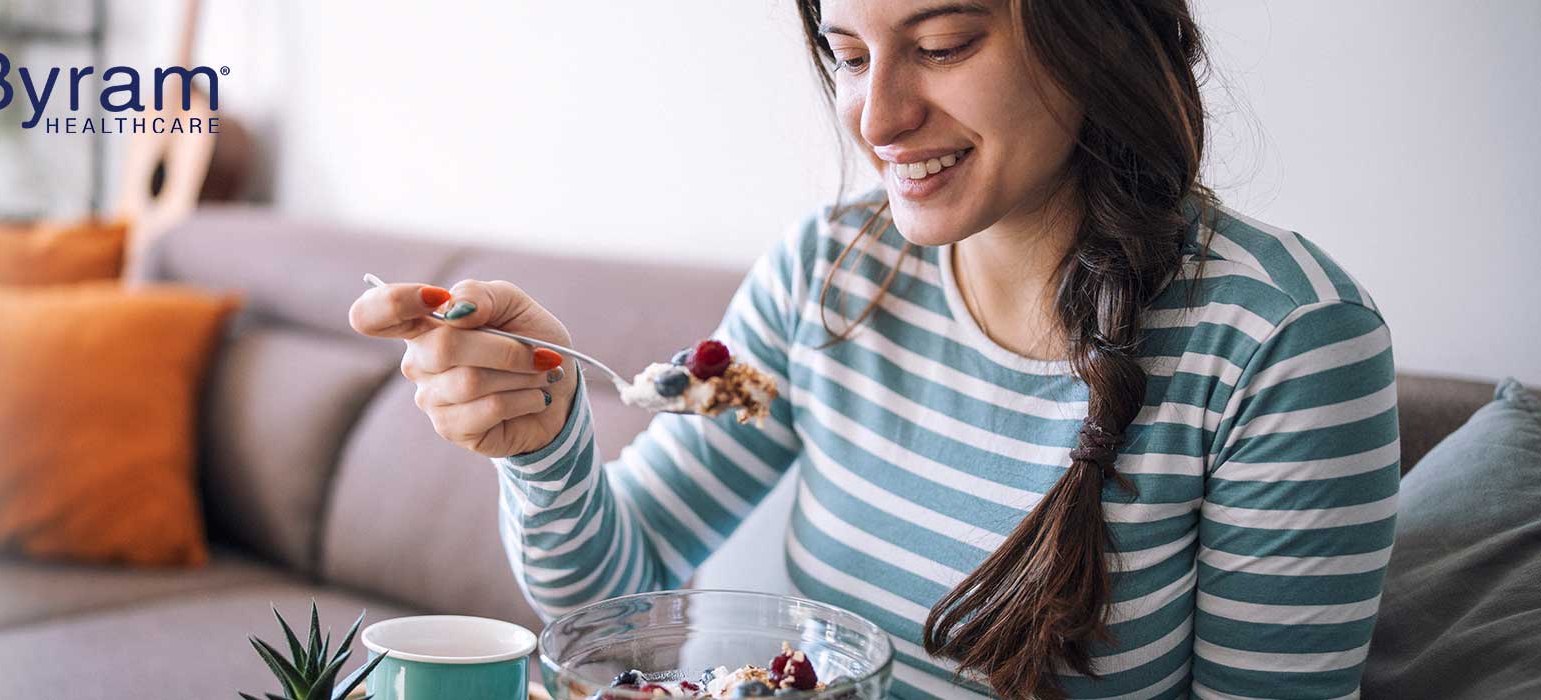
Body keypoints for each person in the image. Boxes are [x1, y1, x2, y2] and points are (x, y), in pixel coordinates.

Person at [349, 1, 1398, 697]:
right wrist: (542, 445)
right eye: (847, 56)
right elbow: (605, 597)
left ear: (1098, 33)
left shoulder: (1284, 347)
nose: (879, 117)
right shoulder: (826, 275)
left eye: (941, 44)